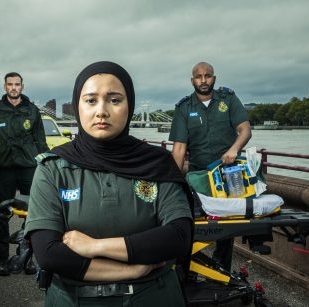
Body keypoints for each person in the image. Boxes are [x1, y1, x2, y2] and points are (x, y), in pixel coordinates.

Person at [25, 61, 193, 307]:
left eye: (114, 100)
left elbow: (178, 237)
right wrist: (132, 271)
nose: (101, 111)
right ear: (77, 106)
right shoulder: (53, 168)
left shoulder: (157, 164)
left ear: (130, 106)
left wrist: (93, 246)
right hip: (73, 300)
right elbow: (50, 255)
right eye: (91, 100)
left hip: (154, 297)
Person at [169, 61, 252, 271]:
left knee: (228, 225)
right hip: (200, 175)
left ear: (214, 78)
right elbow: (179, 150)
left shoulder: (229, 99)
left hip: (230, 172)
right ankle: (188, 269)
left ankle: (222, 270)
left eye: (208, 76)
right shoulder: (184, 108)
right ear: (192, 80)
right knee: (192, 223)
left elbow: (245, 130)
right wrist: (171, 182)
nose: (203, 80)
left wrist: (234, 150)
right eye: (199, 76)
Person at [0, 72, 48, 276]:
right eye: (10, 84)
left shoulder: (32, 110)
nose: (14, 88)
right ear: (5, 87)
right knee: (3, 214)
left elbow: (40, 141)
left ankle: (27, 258)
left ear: (22, 86)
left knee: (32, 214)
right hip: (4, 167)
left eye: (17, 84)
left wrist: (46, 165)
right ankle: (3, 260)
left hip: (28, 166)